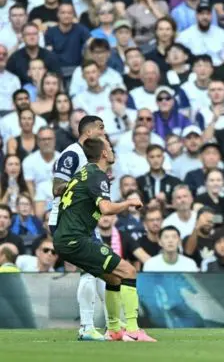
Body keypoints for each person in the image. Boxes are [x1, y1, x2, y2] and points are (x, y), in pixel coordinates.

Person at [53, 136, 156, 342]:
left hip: (67, 238)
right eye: (109, 146)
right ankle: (134, 331)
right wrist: (128, 203)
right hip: (75, 238)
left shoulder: (85, 173)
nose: (112, 149)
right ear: (104, 154)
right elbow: (106, 209)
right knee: (128, 271)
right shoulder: (97, 175)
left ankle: (115, 330)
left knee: (113, 277)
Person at [49, 115, 105, 341]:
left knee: (103, 272)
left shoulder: (93, 158)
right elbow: (56, 188)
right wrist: (82, 182)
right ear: (88, 132)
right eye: (101, 128)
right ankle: (87, 326)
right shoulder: (73, 154)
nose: (104, 132)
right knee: (91, 270)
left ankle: (116, 324)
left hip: (85, 221)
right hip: (67, 220)